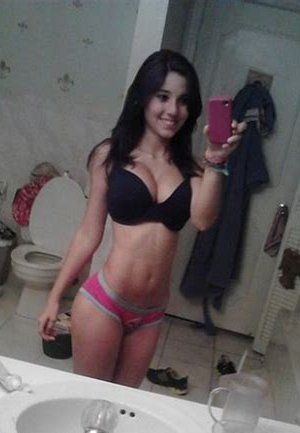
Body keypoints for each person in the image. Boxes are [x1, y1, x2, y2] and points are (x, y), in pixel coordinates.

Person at [38, 49, 245, 387]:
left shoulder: (193, 167)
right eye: (162, 96)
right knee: (91, 400)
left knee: (125, 406)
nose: (172, 110)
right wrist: (54, 296)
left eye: (183, 100)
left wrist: (217, 159)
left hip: (150, 315)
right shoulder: (109, 156)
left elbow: (204, 220)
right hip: (104, 302)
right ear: (143, 97)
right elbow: (89, 234)